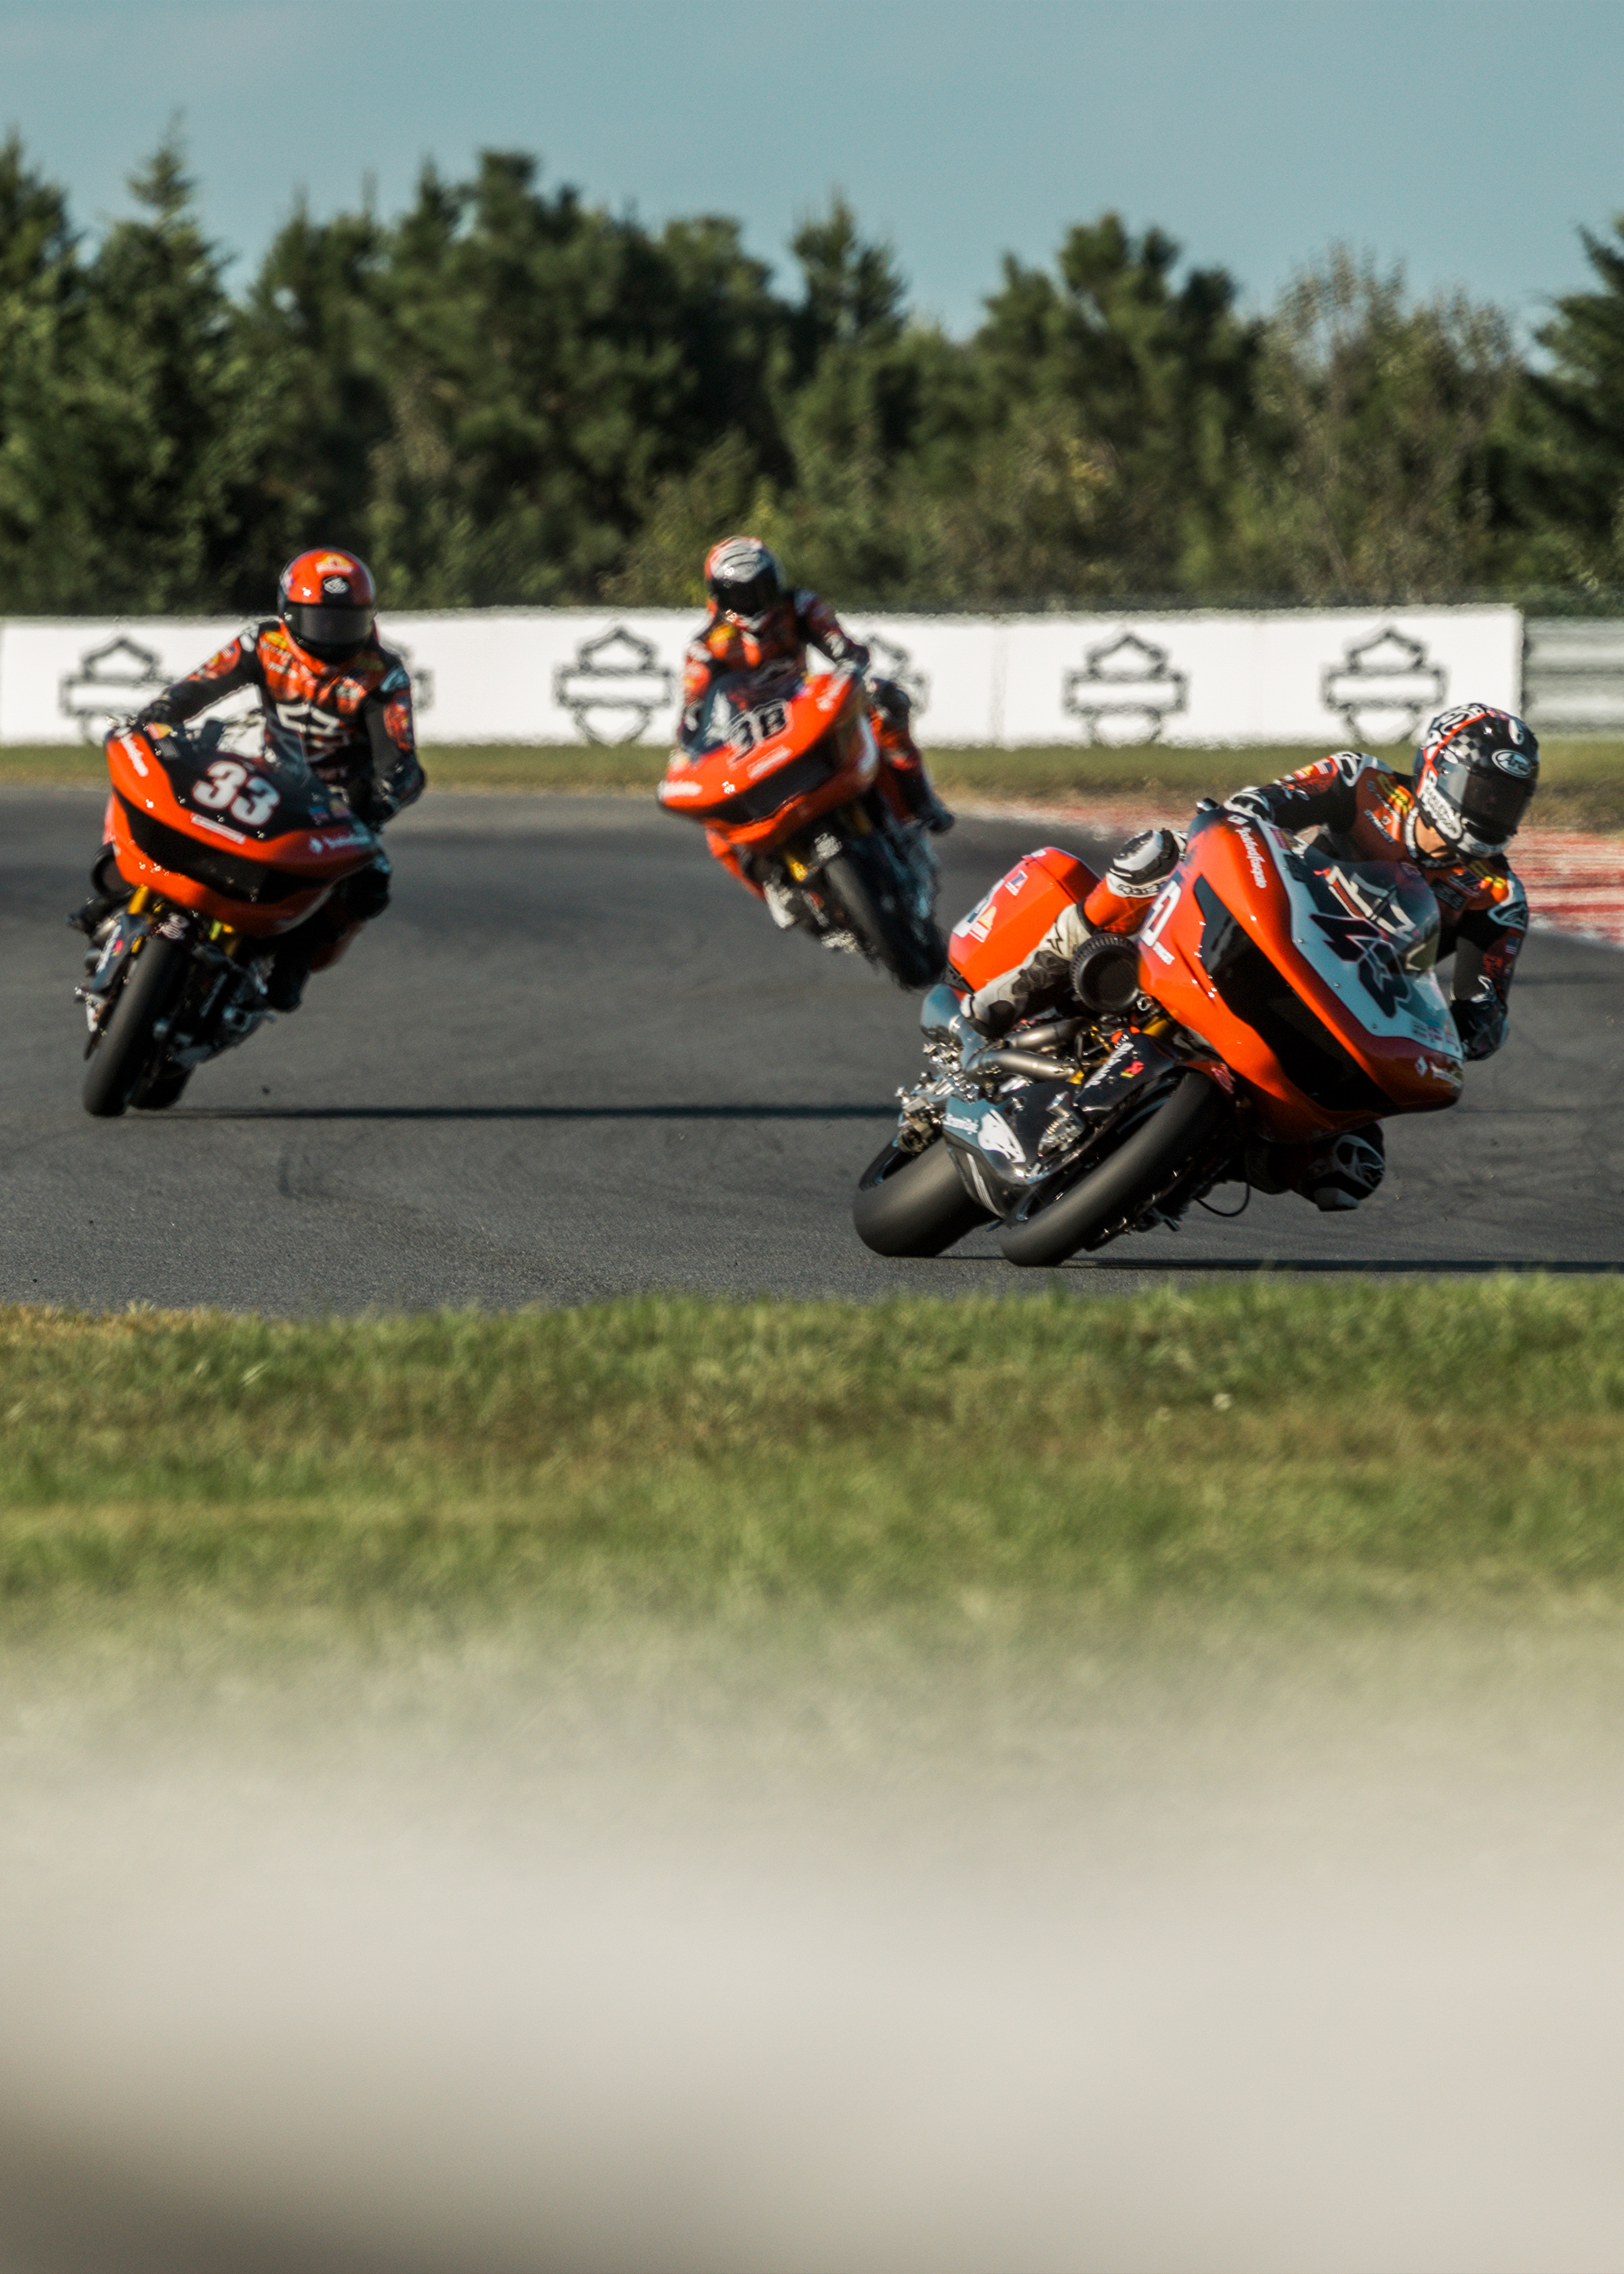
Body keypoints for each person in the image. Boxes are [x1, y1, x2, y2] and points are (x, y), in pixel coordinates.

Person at [961, 704, 1539, 1212]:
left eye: (1507, 800)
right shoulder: (1362, 781)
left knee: (1350, 1170)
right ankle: (1014, 990)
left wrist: (1473, 1024)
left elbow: (1484, 1004)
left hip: (1348, 1002)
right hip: (1271, 926)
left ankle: (1189, 1162)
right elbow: (1254, 809)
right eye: (1482, 791)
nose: (1491, 809)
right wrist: (1240, 822)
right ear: (1437, 769)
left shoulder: (1497, 895)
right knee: (1157, 854)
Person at [71, 550, 424, 1010]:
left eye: (346, 623)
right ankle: (117, 887)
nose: (333, 637)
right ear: (287, 614)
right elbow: (199, 686)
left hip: (334, 804)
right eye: (319, 622)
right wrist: (159, 716)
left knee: (371, 882)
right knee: (158, 776)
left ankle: (292, 959)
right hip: (267, 770)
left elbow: (400, 759)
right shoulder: (264, 643)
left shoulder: (382, 674)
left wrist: (382, 797)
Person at [681, 536, 954, 869]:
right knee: (717, 828)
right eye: (741, 594)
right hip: (749, 738)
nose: (755, 601)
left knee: (884, 700)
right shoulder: (707, 647)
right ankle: (775, 886)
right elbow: (692, 714)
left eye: (763, 588)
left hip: (801, 707)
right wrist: (694, 741)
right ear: (718, 596)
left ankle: (920, 798)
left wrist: (848, 660)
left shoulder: (798, 606)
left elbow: (840, 645)